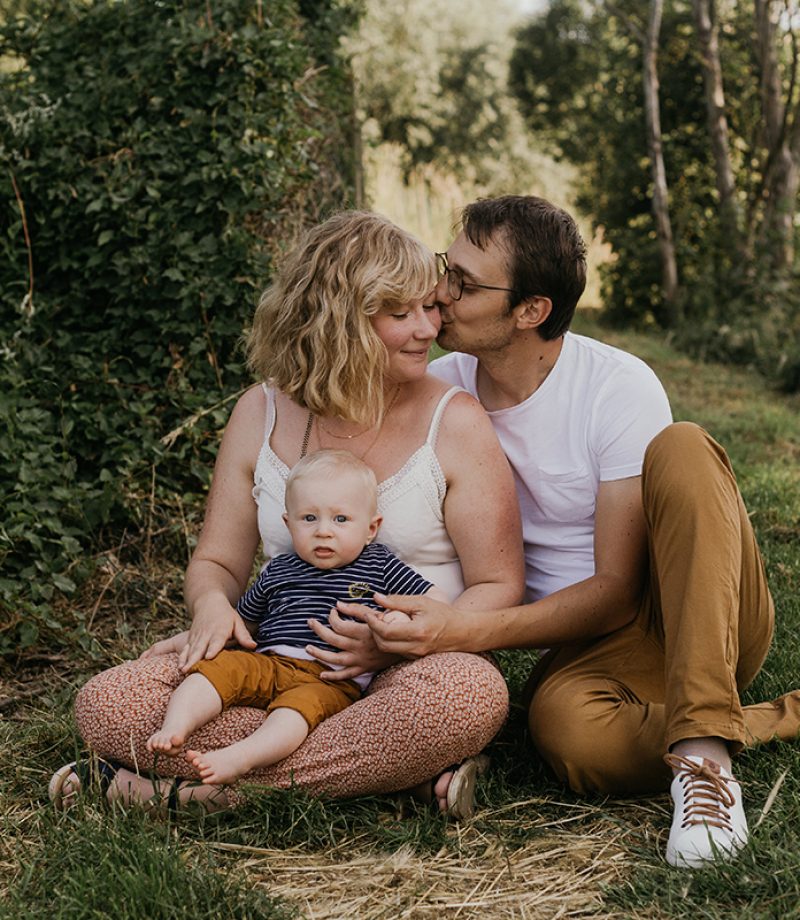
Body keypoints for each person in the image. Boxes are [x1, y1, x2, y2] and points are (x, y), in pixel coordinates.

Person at [335, 195, 800, 869]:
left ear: (531, 311)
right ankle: (767, 717)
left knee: (684, 447)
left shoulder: (616, 386)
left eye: (464, 284)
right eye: (447, 267)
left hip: (695, 608)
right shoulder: (442, 387)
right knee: (561, 733)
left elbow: (616, 591)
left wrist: (460, 632)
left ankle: (705, 763)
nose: (439, 294)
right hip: (586, 651)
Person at [48, 210, 525, 817]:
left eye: (429, 306)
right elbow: (218, 561)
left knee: (467, 697)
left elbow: (499, 584)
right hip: (278, 663)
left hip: (412, 671)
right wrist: (214, 608)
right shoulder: (261, 411)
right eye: (399, 314)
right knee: (107, 701)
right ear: (338, 322)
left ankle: (178, 791)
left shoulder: (453, 420)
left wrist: (403, 643)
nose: (427, 328)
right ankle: (383, 783)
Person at [145, 449, 442, 785]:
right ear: (289, 523)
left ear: (371, 528)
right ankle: (175, 727)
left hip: (331, 678)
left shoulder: (379, 565)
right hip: (269, 662)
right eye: (309, 518)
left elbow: (434, 602)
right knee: (213, 672)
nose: (324, 531)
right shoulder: (279, 570)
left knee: (296, 712)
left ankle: (242, 757)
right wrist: (181, 639)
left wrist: (399, 622)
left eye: (341, 519)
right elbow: (239, 625)